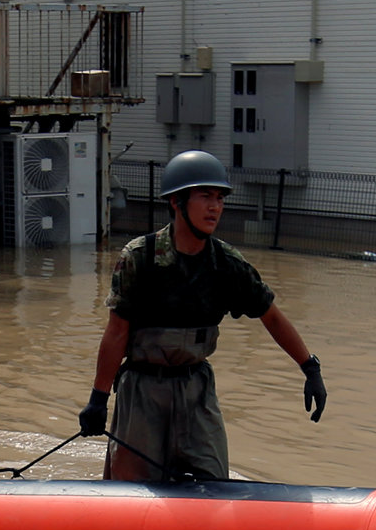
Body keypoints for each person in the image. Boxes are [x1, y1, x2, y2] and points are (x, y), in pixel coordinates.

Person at [78, 153, 323, 482]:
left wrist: (310, 367)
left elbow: (272, 317)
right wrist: (98, 399)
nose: (215, 207)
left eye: (220, 198)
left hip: (197, 391)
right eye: (205, 196)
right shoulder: (141, 258)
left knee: (215, 486)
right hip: (143, 392)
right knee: (133, 494)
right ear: (177, 202)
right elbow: (116, 333)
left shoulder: (227, 264)